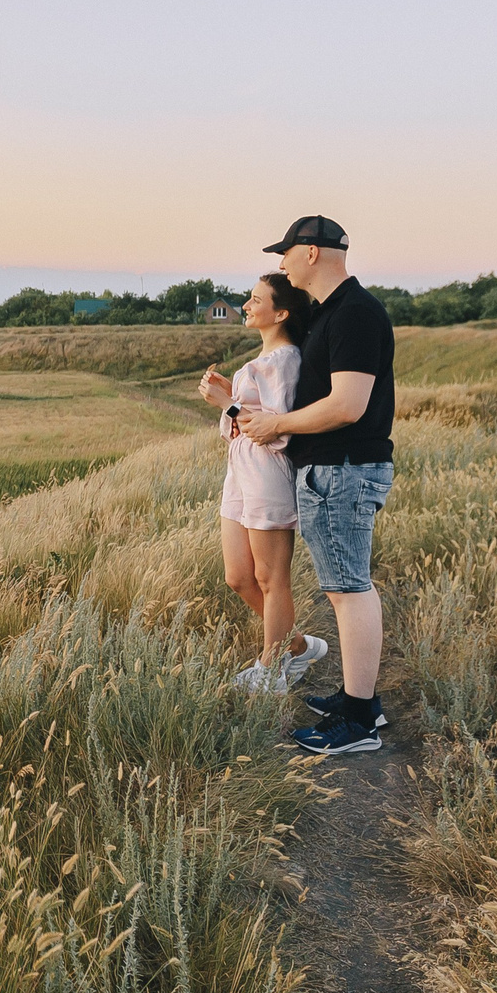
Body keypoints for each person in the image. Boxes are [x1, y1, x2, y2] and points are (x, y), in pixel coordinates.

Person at [235, 215, 397, 757]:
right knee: (342, 587)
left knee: (349, 590)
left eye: (286, 252)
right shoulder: (334, 313)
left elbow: (347, 406)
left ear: (311, 252)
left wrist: (276, 424)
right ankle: (359, 702)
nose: (280, 263)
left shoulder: (354, 313)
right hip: (333, 469)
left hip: (343, 467)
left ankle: (359, 721)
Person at [196, 273, 325, 694]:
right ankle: (300, 646)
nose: (247, 305)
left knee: (272, 578)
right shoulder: (262, 358)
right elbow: (242, 421)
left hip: (267, 472)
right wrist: (230, 393)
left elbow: (278, 429)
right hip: (240, 471)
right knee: (238, 577)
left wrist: (228, 404)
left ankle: (271, 671)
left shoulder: (286, 360)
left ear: (281, 313)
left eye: (255, 300)